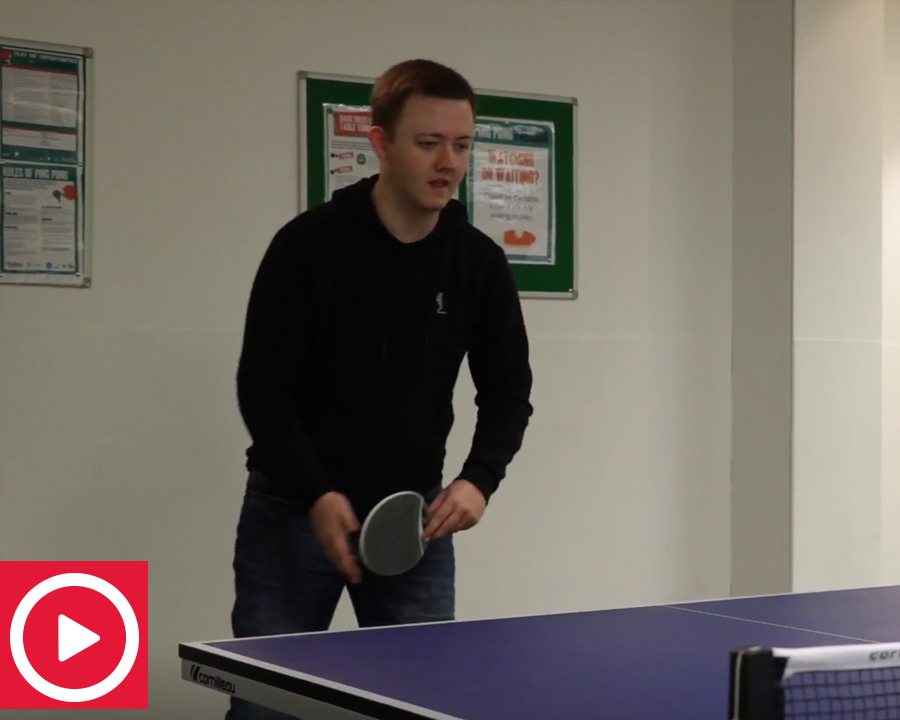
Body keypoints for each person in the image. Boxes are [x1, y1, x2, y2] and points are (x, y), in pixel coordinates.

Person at [226, 58, 533, 719]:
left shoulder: (478, 263)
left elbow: (509, 391)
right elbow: (262, 388)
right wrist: (316, 493)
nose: (448, 163)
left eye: (461, 145)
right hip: (291, 515)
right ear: (381, 142)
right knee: (266, 708)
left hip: (412, 523)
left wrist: (479, 480)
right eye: (429, 143)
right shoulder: (307, 246)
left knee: (422, 704)